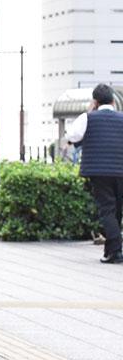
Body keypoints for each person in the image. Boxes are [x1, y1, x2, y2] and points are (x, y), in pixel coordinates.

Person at [66, 83, 123, 264]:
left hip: (99, 171)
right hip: (121, 170)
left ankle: (116, 250)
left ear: (95, 102)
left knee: (107, 209)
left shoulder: (87, 118)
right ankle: (111, 251)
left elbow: (72, 136)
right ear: (113, 101)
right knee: (117, 210)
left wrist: (89, 111)